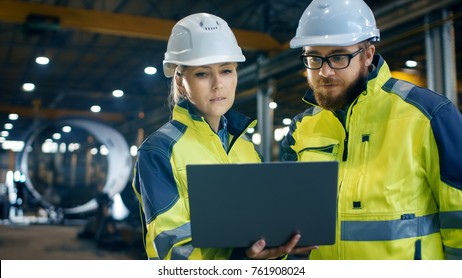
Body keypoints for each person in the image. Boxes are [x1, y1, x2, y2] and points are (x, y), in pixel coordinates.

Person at [282, 0, 462, 260]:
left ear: (368, 54)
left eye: (338, 56)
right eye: (313, 58)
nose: (324, 71)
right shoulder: (301, 128)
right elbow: (292, 227)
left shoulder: (428, 115)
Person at [132, 13, 312, 260]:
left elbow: (262, 225)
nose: (218, 84)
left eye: (226, 70)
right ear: (181, 82)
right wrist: (241, 260)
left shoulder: (246, 146)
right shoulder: (159, 151)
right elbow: (171, 250)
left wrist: (281, 249)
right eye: (202, 74)